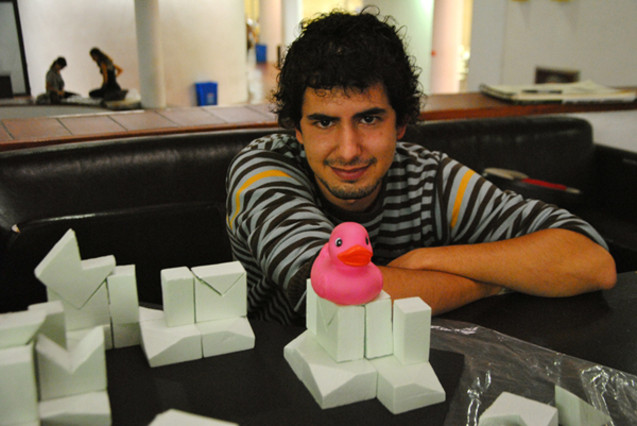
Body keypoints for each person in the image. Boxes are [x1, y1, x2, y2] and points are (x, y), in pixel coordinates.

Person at [225, 9, 616, 325]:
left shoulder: (428, 178)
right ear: (297, 129)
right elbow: (333, 296)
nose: (348, 150)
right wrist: (489, 282)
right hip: (282, 373)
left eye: (369, 119)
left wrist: (427, 260)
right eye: (324, 122)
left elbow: (592, 261)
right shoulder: (264, 172)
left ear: (401, 124)